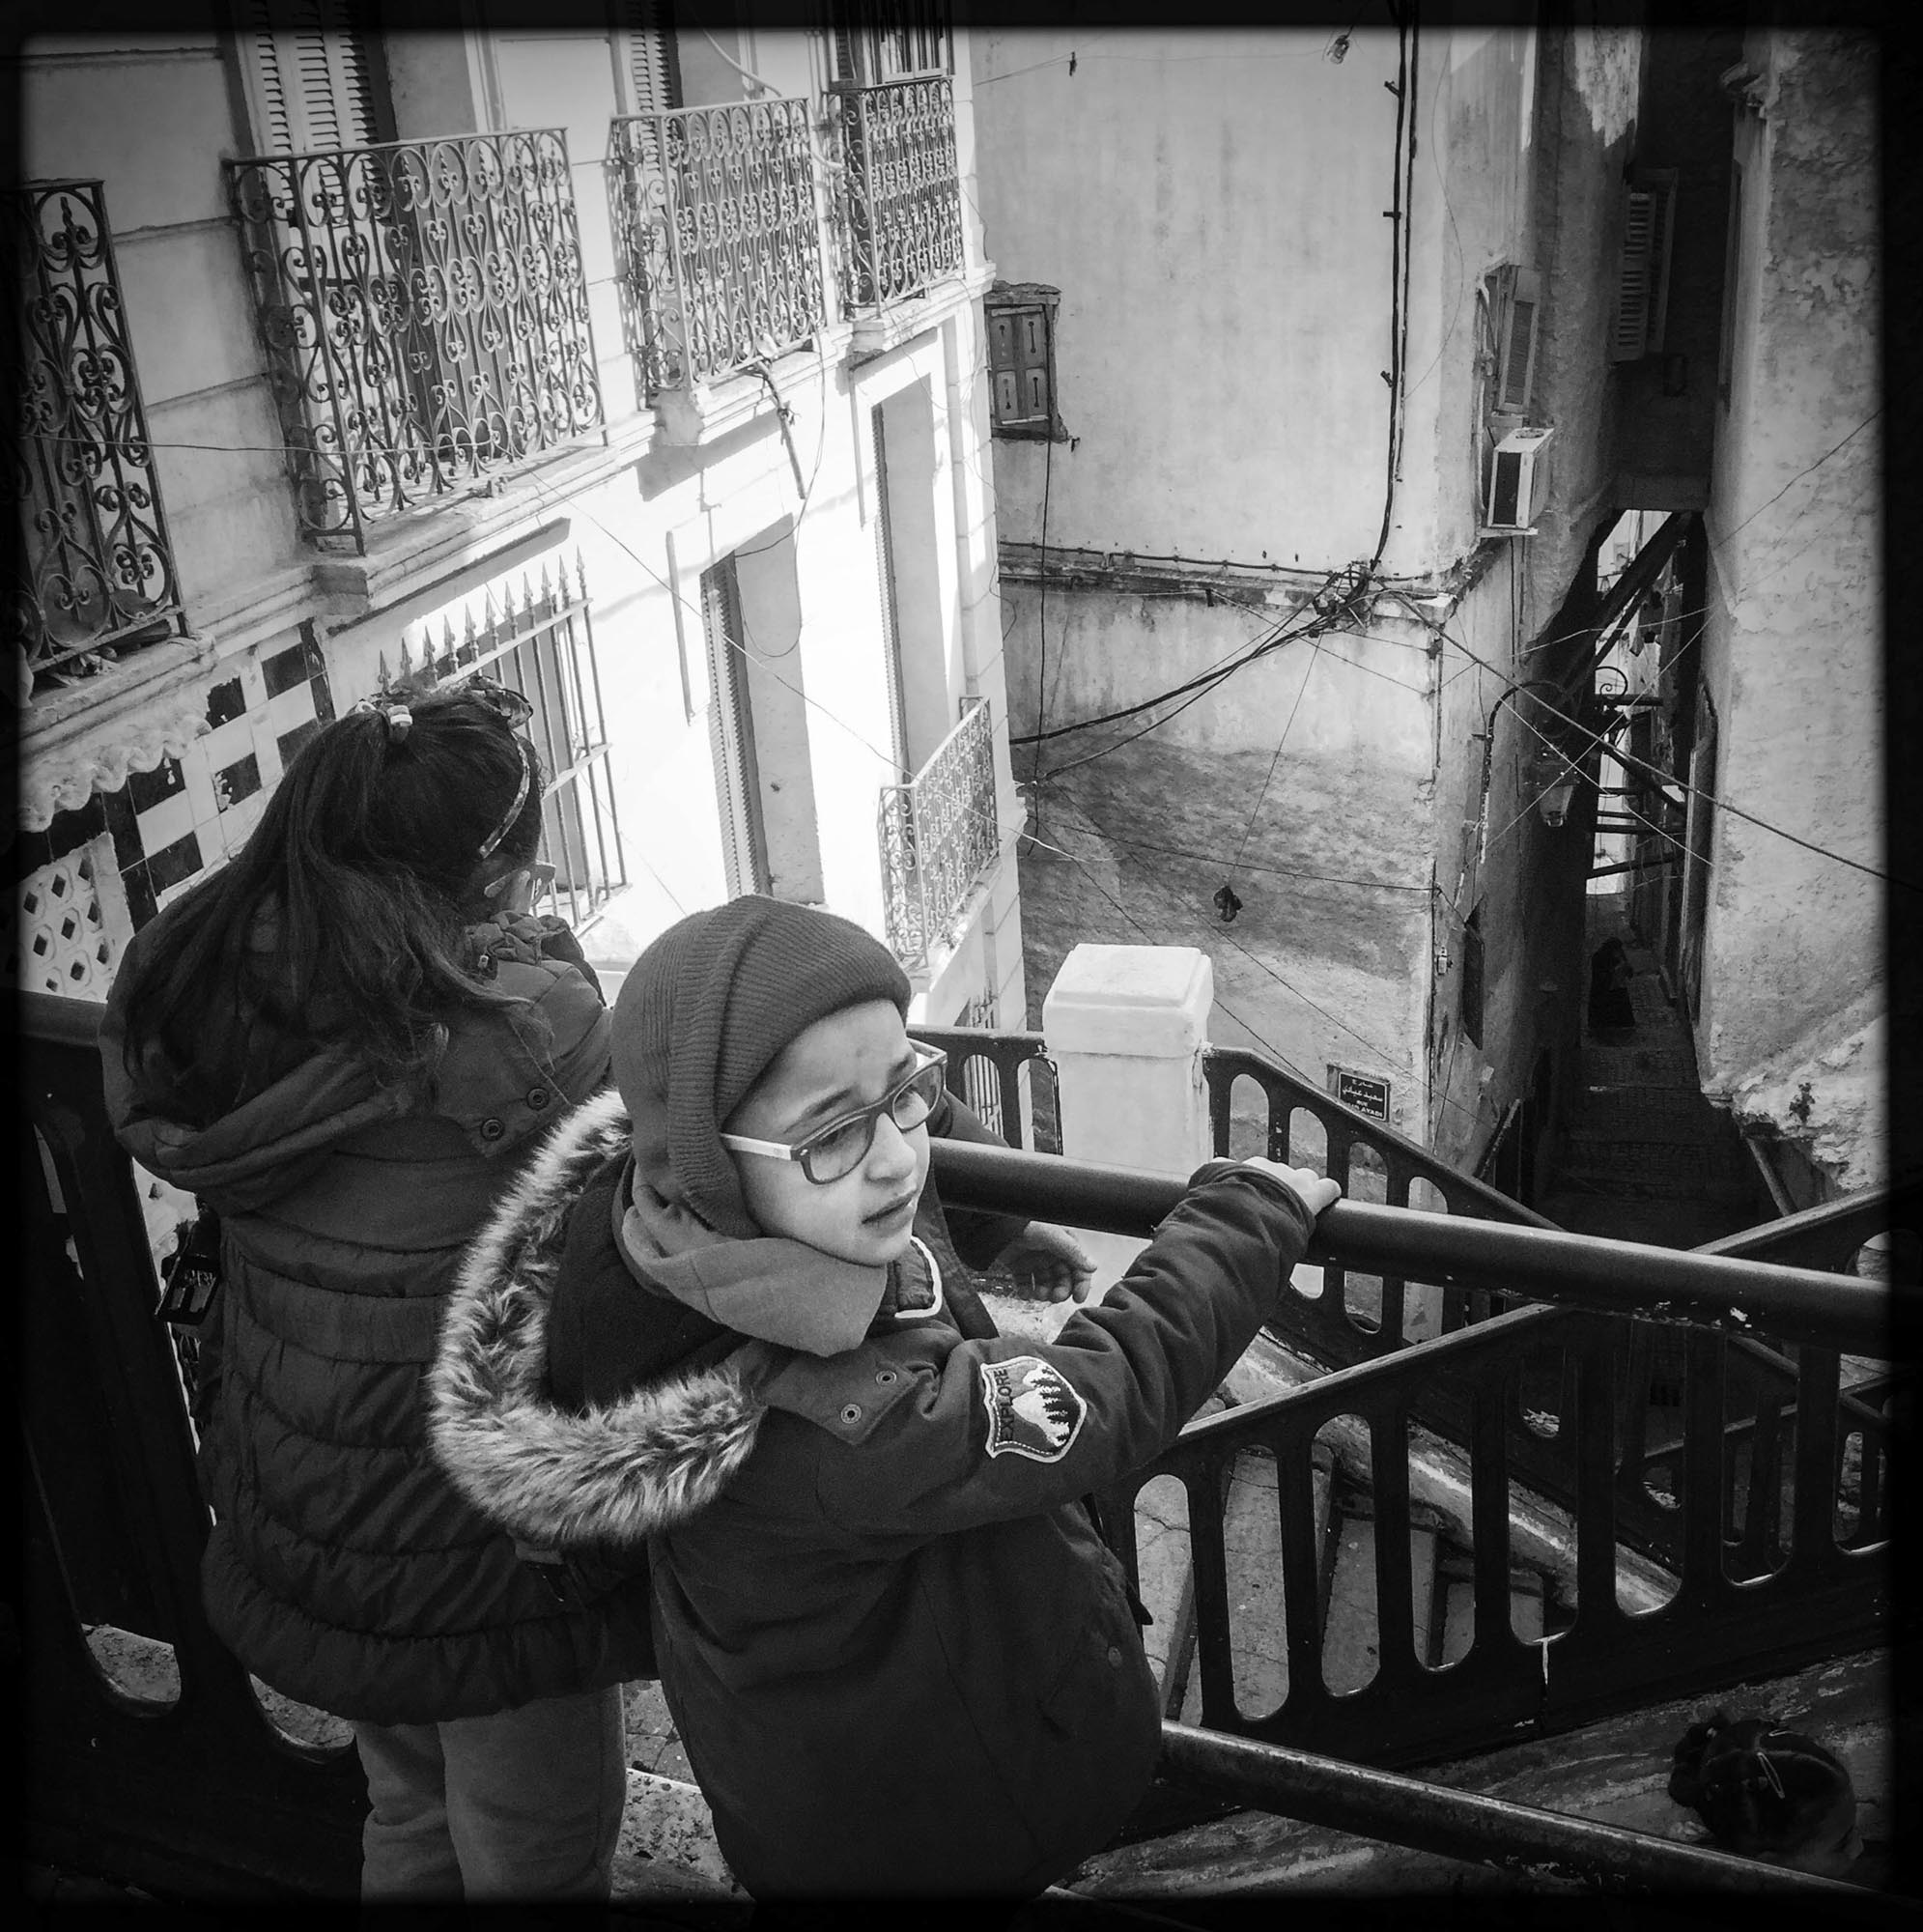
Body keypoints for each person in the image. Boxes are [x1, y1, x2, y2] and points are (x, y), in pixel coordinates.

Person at [428, 895, 1339, 1900]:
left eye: (903, 1090)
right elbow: (1099, 1395)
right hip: (932, 1828)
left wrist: (992, 1223)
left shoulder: (648, 1224)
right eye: (832, 1134)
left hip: (811, 1783)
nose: (902, 1156)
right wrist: (1253, 1210)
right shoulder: (834, 1423)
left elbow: (888, 1117)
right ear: (706, 1157)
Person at [99, 680, 635, 1904]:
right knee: (536, 1844)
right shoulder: (520, 1024)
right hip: (484, 1547)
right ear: (494, 869)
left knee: (408, 1806)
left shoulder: (211, 982)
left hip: (314, 1498)